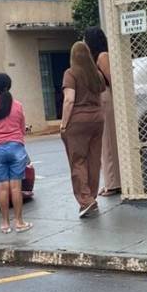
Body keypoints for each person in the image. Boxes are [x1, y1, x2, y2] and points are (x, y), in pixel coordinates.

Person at [61, 41, 106, 218]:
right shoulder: (96, 74)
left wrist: (64, 123)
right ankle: (92, 197)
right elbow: (101, 95)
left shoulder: (70, 73)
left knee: (78, 160)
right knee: (94, 159)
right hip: (97, 118)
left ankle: (85, 200)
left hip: (78, 120)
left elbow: (69, 100)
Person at [0, 73, 32, 234]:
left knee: (2, 188)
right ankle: (19, 222)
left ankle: (5, 224)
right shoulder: (18, 105)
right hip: (16, 148)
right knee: (16, 188)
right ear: (9, 86)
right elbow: (23, 129)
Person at [84, 26, 121, 197]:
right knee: (102, 144)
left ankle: (113, 184)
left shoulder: (102, 56)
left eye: (86, 39)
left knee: (108, 142)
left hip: (106, 99)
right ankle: (110, 181)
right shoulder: (93, 58)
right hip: (100, 100)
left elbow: (113, 80)